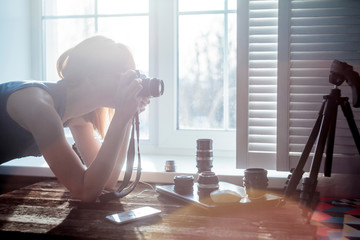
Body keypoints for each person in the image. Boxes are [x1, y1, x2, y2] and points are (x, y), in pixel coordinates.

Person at [0, 36, 150, 202]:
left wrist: (128, 115)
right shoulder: (39, 107)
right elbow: (85, 191)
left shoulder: (78, 116)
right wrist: (121, 116)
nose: (127, 82)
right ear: (92, 74)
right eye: (120, 75)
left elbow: (107, 181)